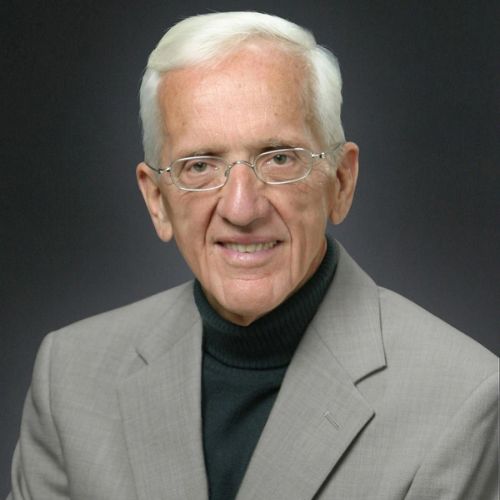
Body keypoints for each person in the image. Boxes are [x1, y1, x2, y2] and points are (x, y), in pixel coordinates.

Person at [8, 11, 498, 500]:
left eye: (279, 158)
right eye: (199, 165)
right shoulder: (70, 377)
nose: (242, 208)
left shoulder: (462, 400)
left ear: (341, 182)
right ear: (157, 200)